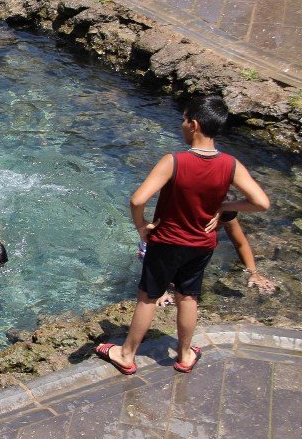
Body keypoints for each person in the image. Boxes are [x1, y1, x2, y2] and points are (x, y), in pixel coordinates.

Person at [97, 96, 270, 375]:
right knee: (188, 297)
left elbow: (137, 199)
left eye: (184, 119)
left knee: (148, 297)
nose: (182, 125)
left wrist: (141, 227)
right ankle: (185, 354)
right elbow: (261, 203)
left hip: (166, 241)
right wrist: (225, 206)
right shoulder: (231, 164)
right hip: (202, 244)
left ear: (194, 124)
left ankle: (127, 354)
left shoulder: (174, 161)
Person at [156, 208, 276, 306]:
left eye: (222, 224)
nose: (218, 226)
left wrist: (253, 272)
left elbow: (241, 244)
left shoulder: (225, 216)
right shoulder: (187, 219)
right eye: (217, 222)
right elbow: (158, 254)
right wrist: (160, 290)